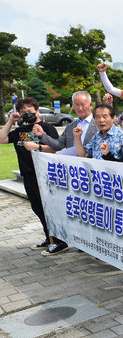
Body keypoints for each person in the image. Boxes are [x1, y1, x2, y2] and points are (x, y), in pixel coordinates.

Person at [0, 97, 67, 255]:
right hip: (28, 175)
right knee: (37, 208)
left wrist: (37, 147)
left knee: (48, 209)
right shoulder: (19, 131)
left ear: (37, 111)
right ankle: (48, 237)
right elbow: (2, 139)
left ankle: (59, 241)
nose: (26, 114)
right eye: (23, 112)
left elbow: (54, 148)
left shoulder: (47, 128)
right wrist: (11, 121)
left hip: (44, 176)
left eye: (29, 111)